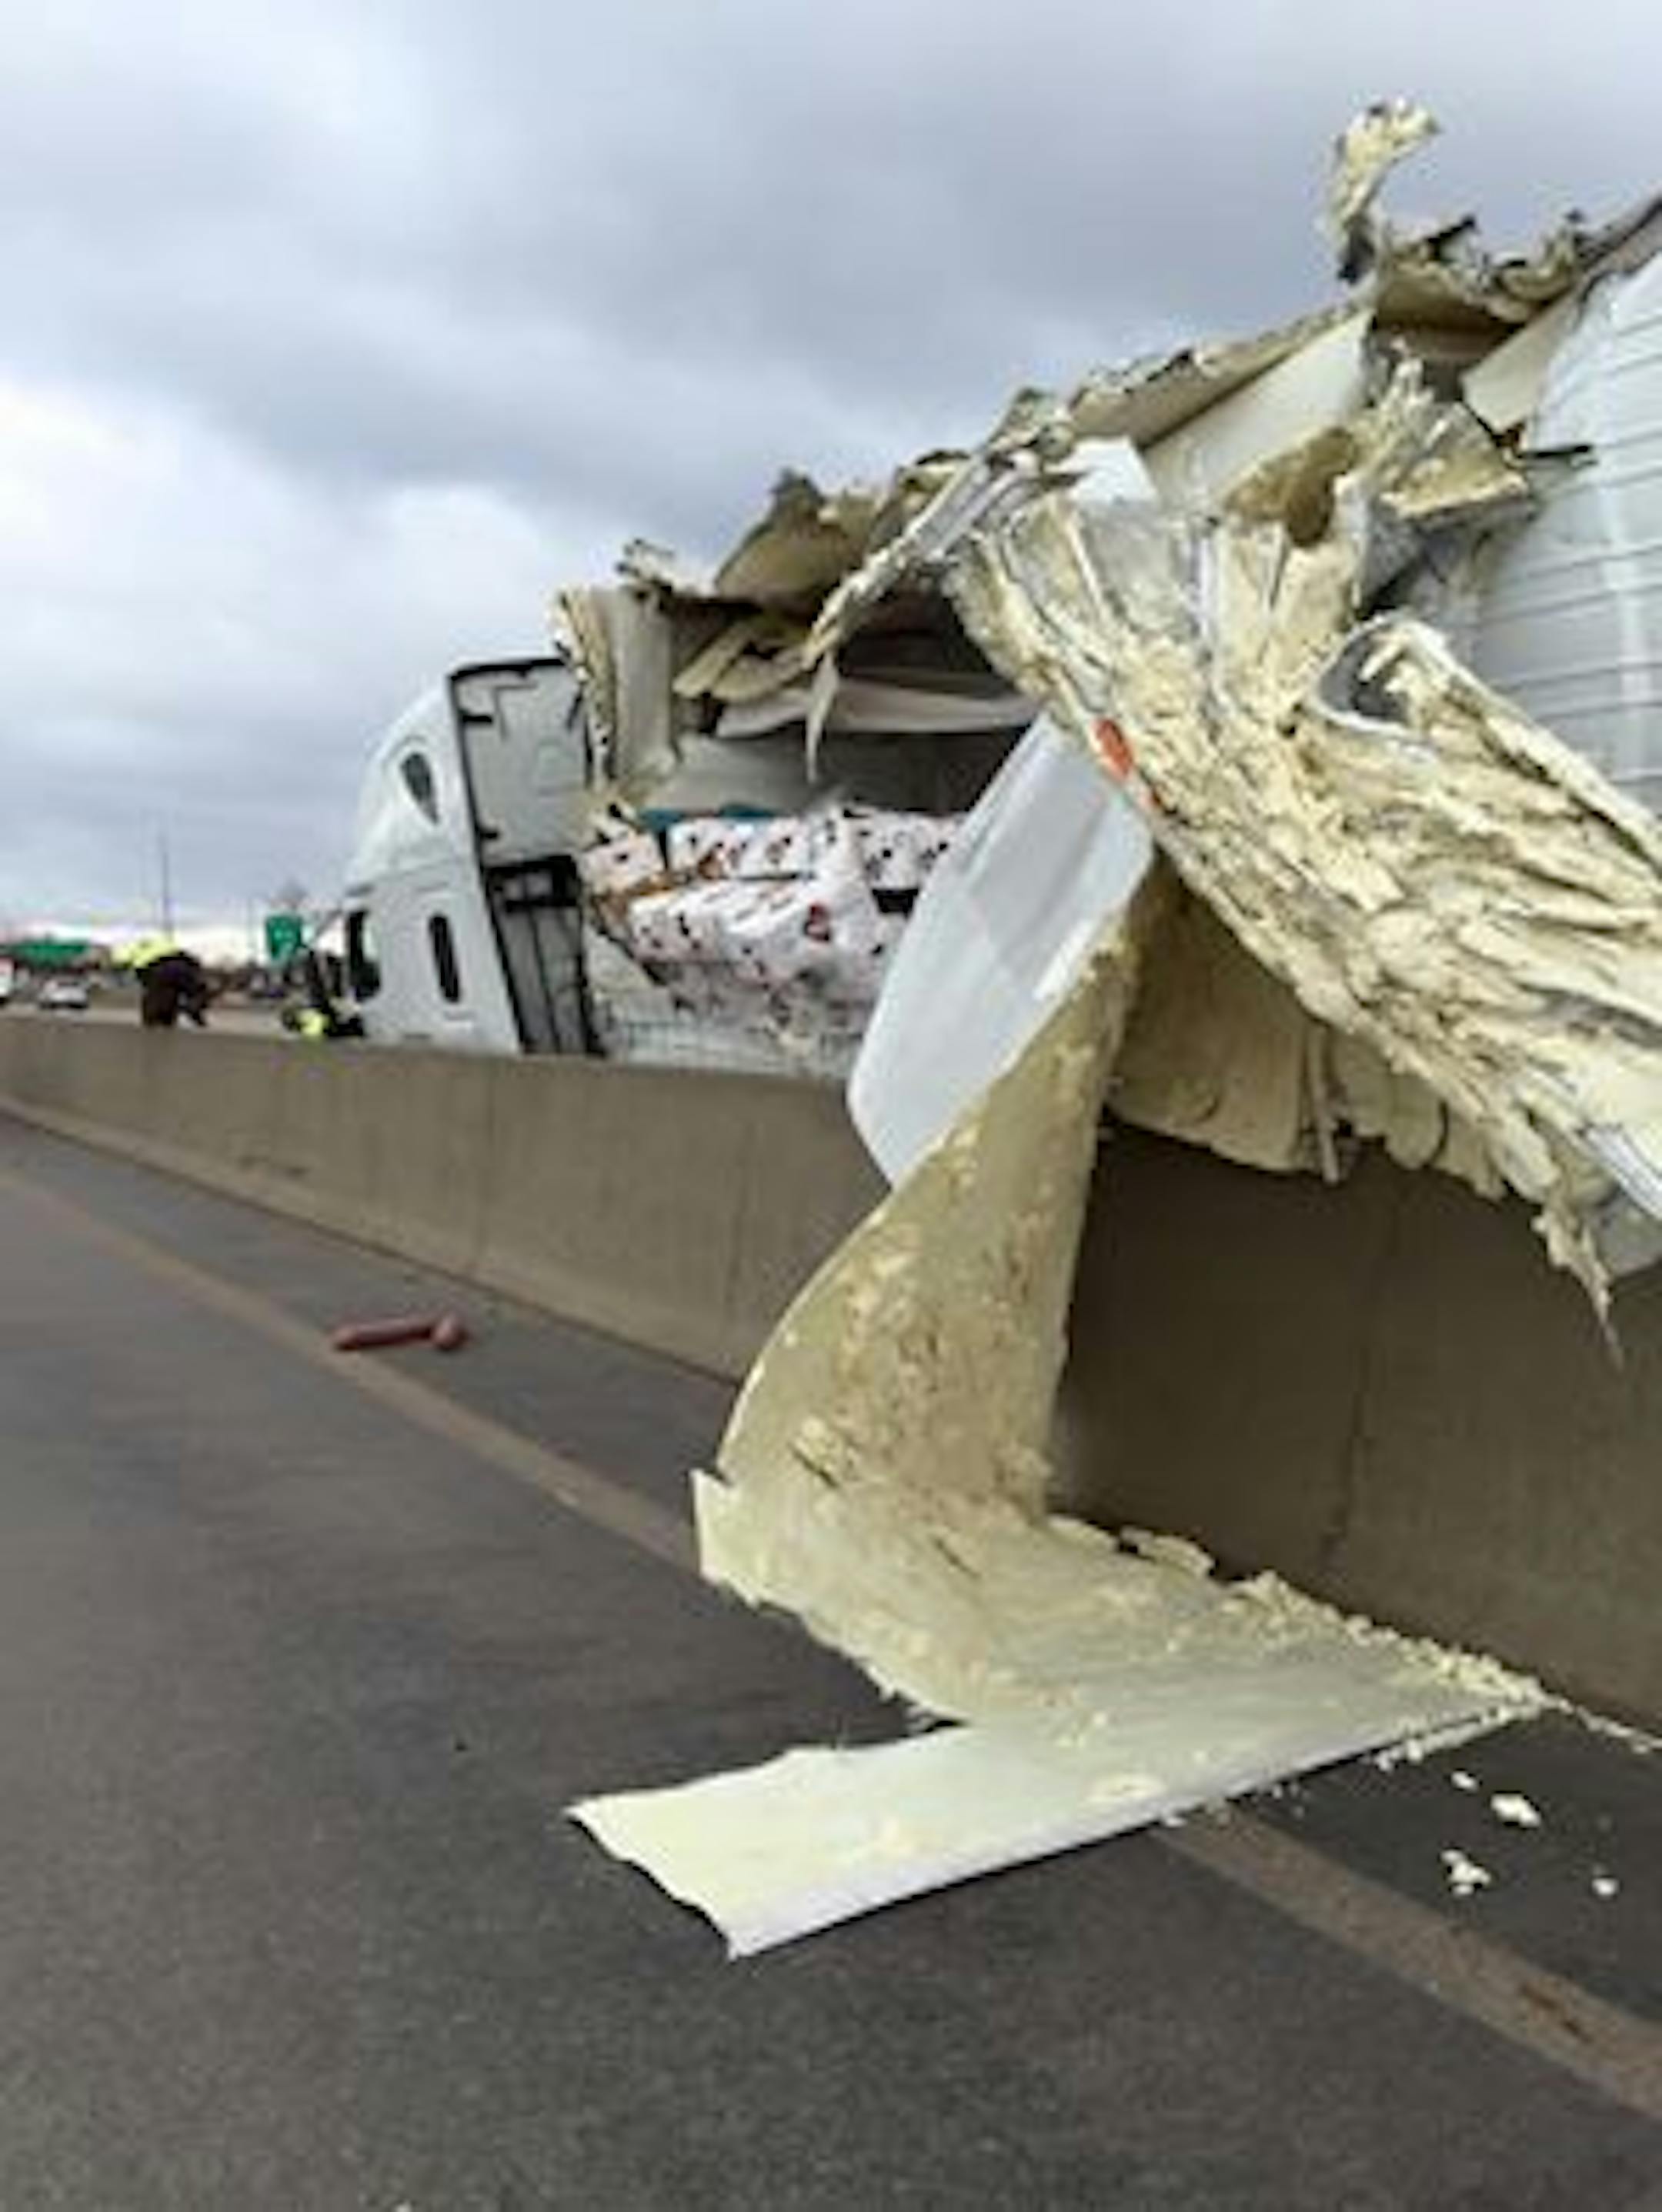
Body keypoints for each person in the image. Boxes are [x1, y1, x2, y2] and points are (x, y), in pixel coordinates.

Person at [136, 948, 212, 1029]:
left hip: (152, 1004)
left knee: (153, 1023)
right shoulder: (187, 970)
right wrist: (201, 1024)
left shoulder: (157, 965)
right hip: (165, 1004)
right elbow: (194, 1001)